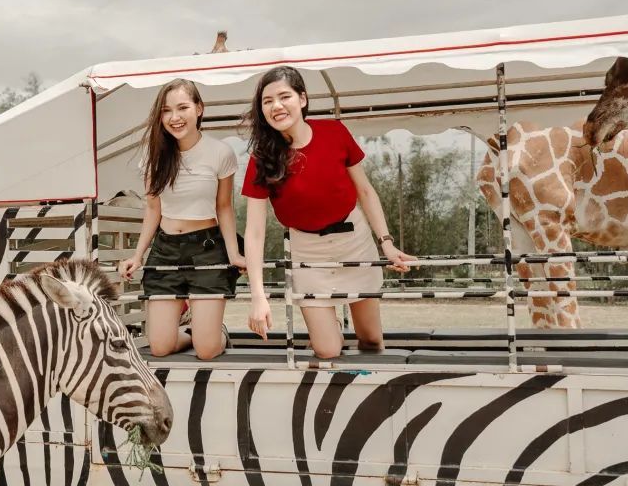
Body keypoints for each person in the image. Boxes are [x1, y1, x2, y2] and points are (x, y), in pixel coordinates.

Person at [241, 66, 412, 359]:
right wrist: (258, 296)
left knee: (371, 341)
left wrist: (387, 243)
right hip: (307, 251)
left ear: (302, 99)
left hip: (354, 240)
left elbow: (365, 191)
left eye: (284, 96)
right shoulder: (261, 158)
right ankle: (328, 330)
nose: (276, 106)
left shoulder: (334, 132)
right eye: (267, 101)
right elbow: (254, 232)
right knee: (327, 349)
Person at [119, 78, 245, 359]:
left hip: (207, 249)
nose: (174, 117)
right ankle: (194, 332)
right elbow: (153, 209)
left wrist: (234, 254)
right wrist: (137, 255)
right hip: (166, 250)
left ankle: (215, 334)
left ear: (199, 109)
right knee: (160, 347)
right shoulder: (153, 155)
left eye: (182, 108)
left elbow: (224, 207)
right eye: (166, 111)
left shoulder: (220, 152)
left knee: (207, 350)